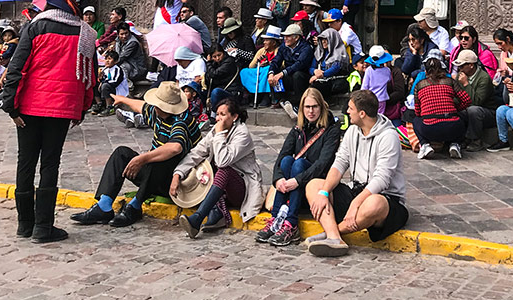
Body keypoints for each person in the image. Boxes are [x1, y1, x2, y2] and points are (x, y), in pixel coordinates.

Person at [2, 0, 96, 243]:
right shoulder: (85, 33)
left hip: (29, 107)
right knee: (50, 164)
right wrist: (83, 107)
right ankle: (44, 227)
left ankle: (24, 225)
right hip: (62, 109)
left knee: (26, 162)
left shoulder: (36, 26)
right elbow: (90, 76)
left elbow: (17, 68)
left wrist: (11, 106)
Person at [71, 80, 201, 228]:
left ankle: (135, 206)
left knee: (158, 160)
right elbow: (141, 107)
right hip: (153, 178)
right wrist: (122, 100)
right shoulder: (159, 113)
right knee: (121, 154)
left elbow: (175, 148)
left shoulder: (180, 121)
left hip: (176, 182)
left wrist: (142, 158)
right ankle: (104, 206)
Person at [305, 88, 408, 257]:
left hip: (385, 199)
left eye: (350, 108)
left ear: (362, 113)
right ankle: (334, 238)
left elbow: (382, 179)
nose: (347, 111)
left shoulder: (388, 136)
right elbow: (339, 163)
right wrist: (324, 192)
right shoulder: (352, 131)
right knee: (314, 185)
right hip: (356, 191)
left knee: (374, 204)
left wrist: (355, 204)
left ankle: (333, 234)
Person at [257, 86, 342, 247]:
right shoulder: (298, 129)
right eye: (307, 107)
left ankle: (291, 223)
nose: (311, 111)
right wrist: (279, 179)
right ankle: (276, 219)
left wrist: (297, 180)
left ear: (321, 107)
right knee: (288, 161)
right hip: (294, 184)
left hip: (315, 182)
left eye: (314, 107)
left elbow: (322, 163)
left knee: (299, 163)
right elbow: (282, 156)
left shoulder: (331, 130)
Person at [172, 97, 265, 237]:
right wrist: (177, 174)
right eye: (217, 114)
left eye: (223, 114)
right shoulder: (216, 132)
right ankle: (216, 212)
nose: (218, 119)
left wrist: (220, 134)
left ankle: (198, 218)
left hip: (242, 187)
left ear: (234, 117)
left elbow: (223, 161)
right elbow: (197, 153)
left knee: (223, 169)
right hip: (222, 189)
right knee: (204, 166)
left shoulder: (242, 134)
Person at [413, 53, 470, 160]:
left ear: (425, 71)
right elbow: (467, 100)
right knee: (462, 116)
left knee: (416, 120)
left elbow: (418, 111)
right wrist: (455, 109)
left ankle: (425, 144)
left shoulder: (420, 85)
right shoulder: (450, 82)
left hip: (429, 129)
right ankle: (455, 143)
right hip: (453, 126)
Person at [453, 48, 496, 151]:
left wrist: (466, 84)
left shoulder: (484, 78)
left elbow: (476, 101)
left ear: (471, 65)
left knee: (473, 110)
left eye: (462, 66)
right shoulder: (460, 76)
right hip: (466, 109)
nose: (460, 69)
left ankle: (475, 140)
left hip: (486, 112)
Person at [268, 23, 314, 117]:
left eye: (288, 36)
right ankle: (279, 99)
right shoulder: (283, 47)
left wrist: (282, 73)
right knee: (273, 73)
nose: (285, 38)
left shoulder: (306, 48)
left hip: (303, 76)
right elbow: (276, 61)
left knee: (297, 75)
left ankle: (297, 103)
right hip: (288, 75)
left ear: (296, 38)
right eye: (285, 36)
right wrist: (271, 73)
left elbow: (300, 64)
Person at [93, 49, 129, 115]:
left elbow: (115, 81)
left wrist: (103, 83)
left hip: (117, 89)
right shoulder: (106, 69)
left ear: (115, 61)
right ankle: (99, 104)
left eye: (109, 59)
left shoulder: (117, 69)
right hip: (109, 87)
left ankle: (109, 107)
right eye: (106, 59)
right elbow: (105, 79)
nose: (107, 61)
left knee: (105, 86)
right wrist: (101, 79)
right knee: (95, 84)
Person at [362, 45, 394, 113]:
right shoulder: (387, 70)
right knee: (380, 117)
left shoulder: (369, 70)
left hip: (370, 99)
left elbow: (364, 87)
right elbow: (389, 80)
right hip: (382, 99)